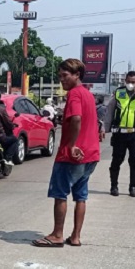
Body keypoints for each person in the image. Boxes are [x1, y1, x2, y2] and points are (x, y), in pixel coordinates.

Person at [32, 58, 100, 248]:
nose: (62, 80)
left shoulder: (75, 94)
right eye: (60, 76)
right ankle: (76, 236)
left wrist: (70, 145)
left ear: (77, 75)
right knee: (81, 196)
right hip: (90, 153)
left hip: (72, 155)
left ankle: (57, 234)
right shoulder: (88, 94)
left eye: (65, 76)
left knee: (60, 193)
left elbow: (76, 119)